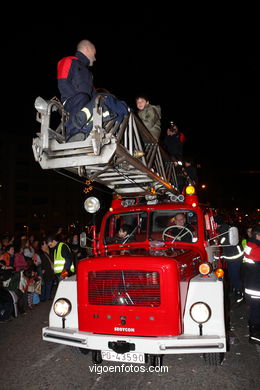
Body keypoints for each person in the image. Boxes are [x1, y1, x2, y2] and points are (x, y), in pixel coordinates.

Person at [57, 39, 97, 140]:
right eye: (94, 53)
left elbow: (93, 93)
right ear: (87, 49)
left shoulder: (89, 74)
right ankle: (73, 134)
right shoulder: (69, 61)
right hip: (71, 102)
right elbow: (62, 82)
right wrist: (78, 98)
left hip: (86, 105)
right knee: (82, 97)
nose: (95, 58)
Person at [214, 216, 244, 302]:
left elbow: (227, 248)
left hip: (235, 257)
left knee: (234, 276)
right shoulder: (226, 229)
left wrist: (219, 257)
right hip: (235, 256)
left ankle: (240, 293)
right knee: (233, 275)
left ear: (217, 224)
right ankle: (236, 289)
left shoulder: (224, 231)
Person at [243, 225, 260, 345]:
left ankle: (254, 333)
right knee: (257, 310)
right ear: (258, 236)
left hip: (252, 283)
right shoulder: (257, 249)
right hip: (256, 285)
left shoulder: (250, 245)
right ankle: (255, 335)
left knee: (255, 309)